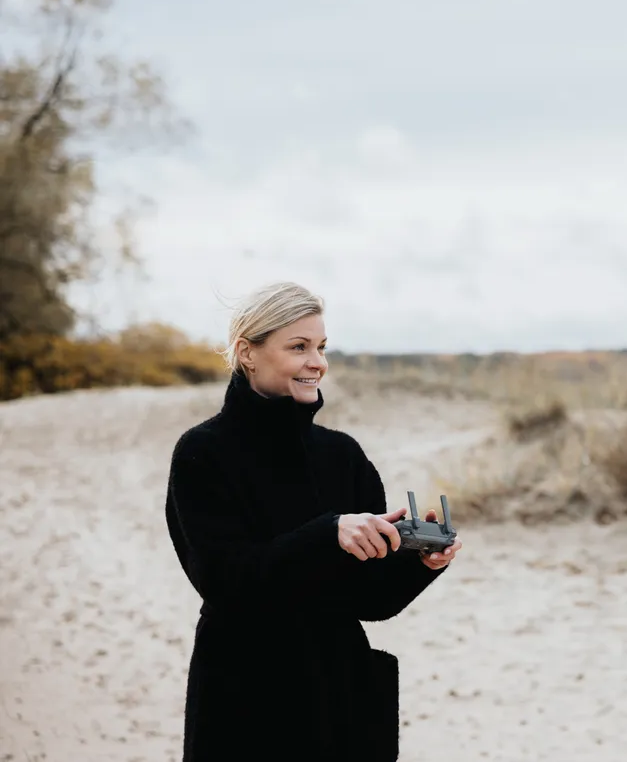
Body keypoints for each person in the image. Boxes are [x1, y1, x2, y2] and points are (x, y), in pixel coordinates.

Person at [164, 281, 462, 761]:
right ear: (248, 353)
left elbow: (370, 600)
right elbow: (225, 582)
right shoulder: (204, 452)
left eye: (321, 347)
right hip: (244, 698)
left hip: (339, 698)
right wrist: (328, 534)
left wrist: (419, 564)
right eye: (298, 347)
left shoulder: (343, 456)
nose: (317, 362)